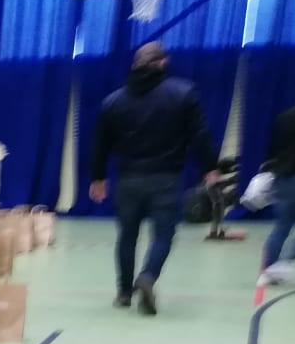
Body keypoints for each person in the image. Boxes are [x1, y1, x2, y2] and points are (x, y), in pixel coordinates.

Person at [89, 41, 219, 315]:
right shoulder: (183, 93)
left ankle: (124, 293)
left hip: (128, 179)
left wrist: (98, 178)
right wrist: (210, 166)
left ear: (135, 65)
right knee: (163, 234)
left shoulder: (113, 102)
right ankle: (148, 276)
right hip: (166, 178)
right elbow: (200, 135)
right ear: (163, 63)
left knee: (127, 236)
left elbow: (100, 145)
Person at [257, 82, 295, 286]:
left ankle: (267, 271)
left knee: (281, 227)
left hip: (283, 181)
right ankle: (284, 262)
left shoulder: (284, 118)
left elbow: (274, 150)